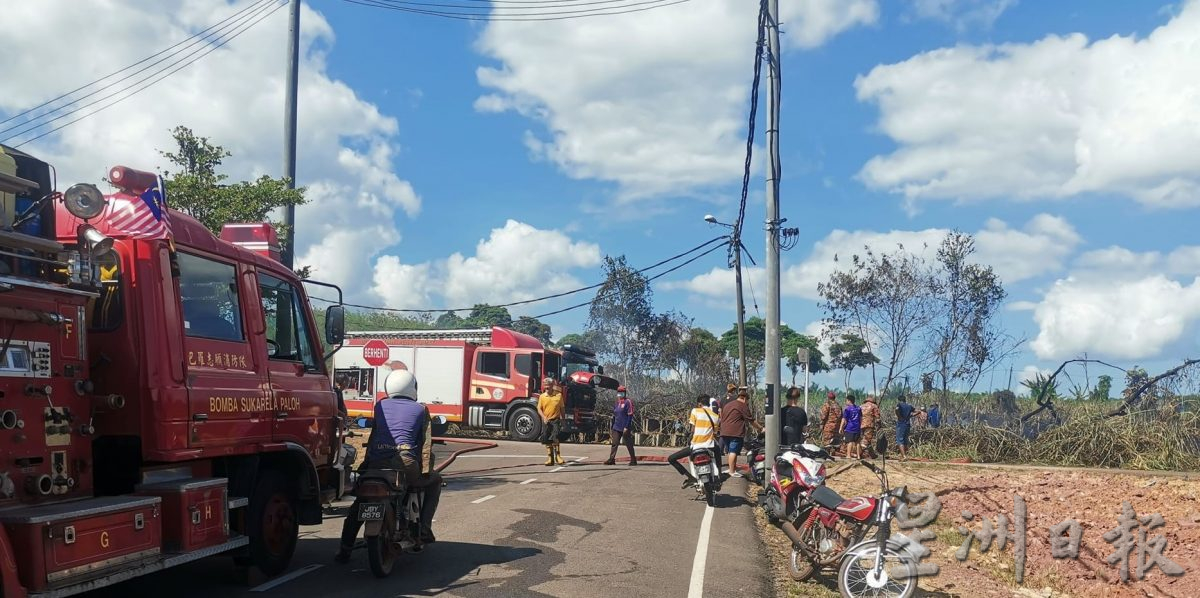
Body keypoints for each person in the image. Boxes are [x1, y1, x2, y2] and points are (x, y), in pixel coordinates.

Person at [336, 370, 442, 563]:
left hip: (378, 464)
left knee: (359, 504)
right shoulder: (420, 409)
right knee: (435, 481)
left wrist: (365, 466)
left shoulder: (380, 406)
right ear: (413, 388)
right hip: (405, 465)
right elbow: (425, 445)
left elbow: (374, 435)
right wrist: (425, 472)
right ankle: (424, 529)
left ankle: (344, 551)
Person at [668, 394, 720, 488]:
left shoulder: (695, 411)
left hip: (695, 447)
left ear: (699, 403)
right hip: (709, 447)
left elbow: (692, 430)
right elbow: (715, 433)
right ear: (709, 403)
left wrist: (689, 436)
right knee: (717, 453)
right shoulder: (716, 416)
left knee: (671, 458)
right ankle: (718, 476)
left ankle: (690, 477)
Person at [719, 390, 763, 478]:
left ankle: (732, 468)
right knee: (733, 451)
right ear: (744, 399)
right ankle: (731, 471)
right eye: (747, 401)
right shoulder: (742, 405)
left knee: (730, 451)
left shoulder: (728, 405)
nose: (747, 403)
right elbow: (751, 420)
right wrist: (761, 428)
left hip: (724, 431)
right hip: (735, 432)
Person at [604, 386, 637, 466]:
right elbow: (615, 415)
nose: (620, 393)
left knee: (628, 443)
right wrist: (613, 426)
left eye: (621, 392)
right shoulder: (617, 403)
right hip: (616, 426)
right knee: (614, 443)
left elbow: (630, 415)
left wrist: (627, 426)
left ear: (624, 393)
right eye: (619, 392)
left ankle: (633, 460)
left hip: (625, 427)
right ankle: (611, 459)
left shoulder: (628, 402)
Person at [538, 377, 566, 466]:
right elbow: (539, 408)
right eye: (545, 386)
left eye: (548, 386)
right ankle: (550, 458)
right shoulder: (542, 397)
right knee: (546, 438)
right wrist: (543, 417)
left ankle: (558, 456)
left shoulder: (558, 395)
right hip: (546, 421)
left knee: (555, 437)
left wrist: (563, 420)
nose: (546, 388)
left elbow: (562, 408)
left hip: (556, 420)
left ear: (552, 386)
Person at [895, 394, 923, 460]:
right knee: (905, 440)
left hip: (901, 424)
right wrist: (910, 416)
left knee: (900, 440)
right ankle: (905, 455)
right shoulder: (909, 406)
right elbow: (918, 411)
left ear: (899, 400)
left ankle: (904, 456)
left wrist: (899, 417)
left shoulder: (899, 405)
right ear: (905, 400)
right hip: (908, 424)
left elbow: (896, 410)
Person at [839, 395, 863, 459]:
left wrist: (841, 428)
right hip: (857, 427)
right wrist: (860, 426)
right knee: (857, 442)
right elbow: (860, 418)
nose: (846, 402)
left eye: (846, 400)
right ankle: (858, 456)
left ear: (849, 401)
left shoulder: (847, 409)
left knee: (849, 441)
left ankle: (848, 455)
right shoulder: (858, 408)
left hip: (850, 427)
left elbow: (844, 419)